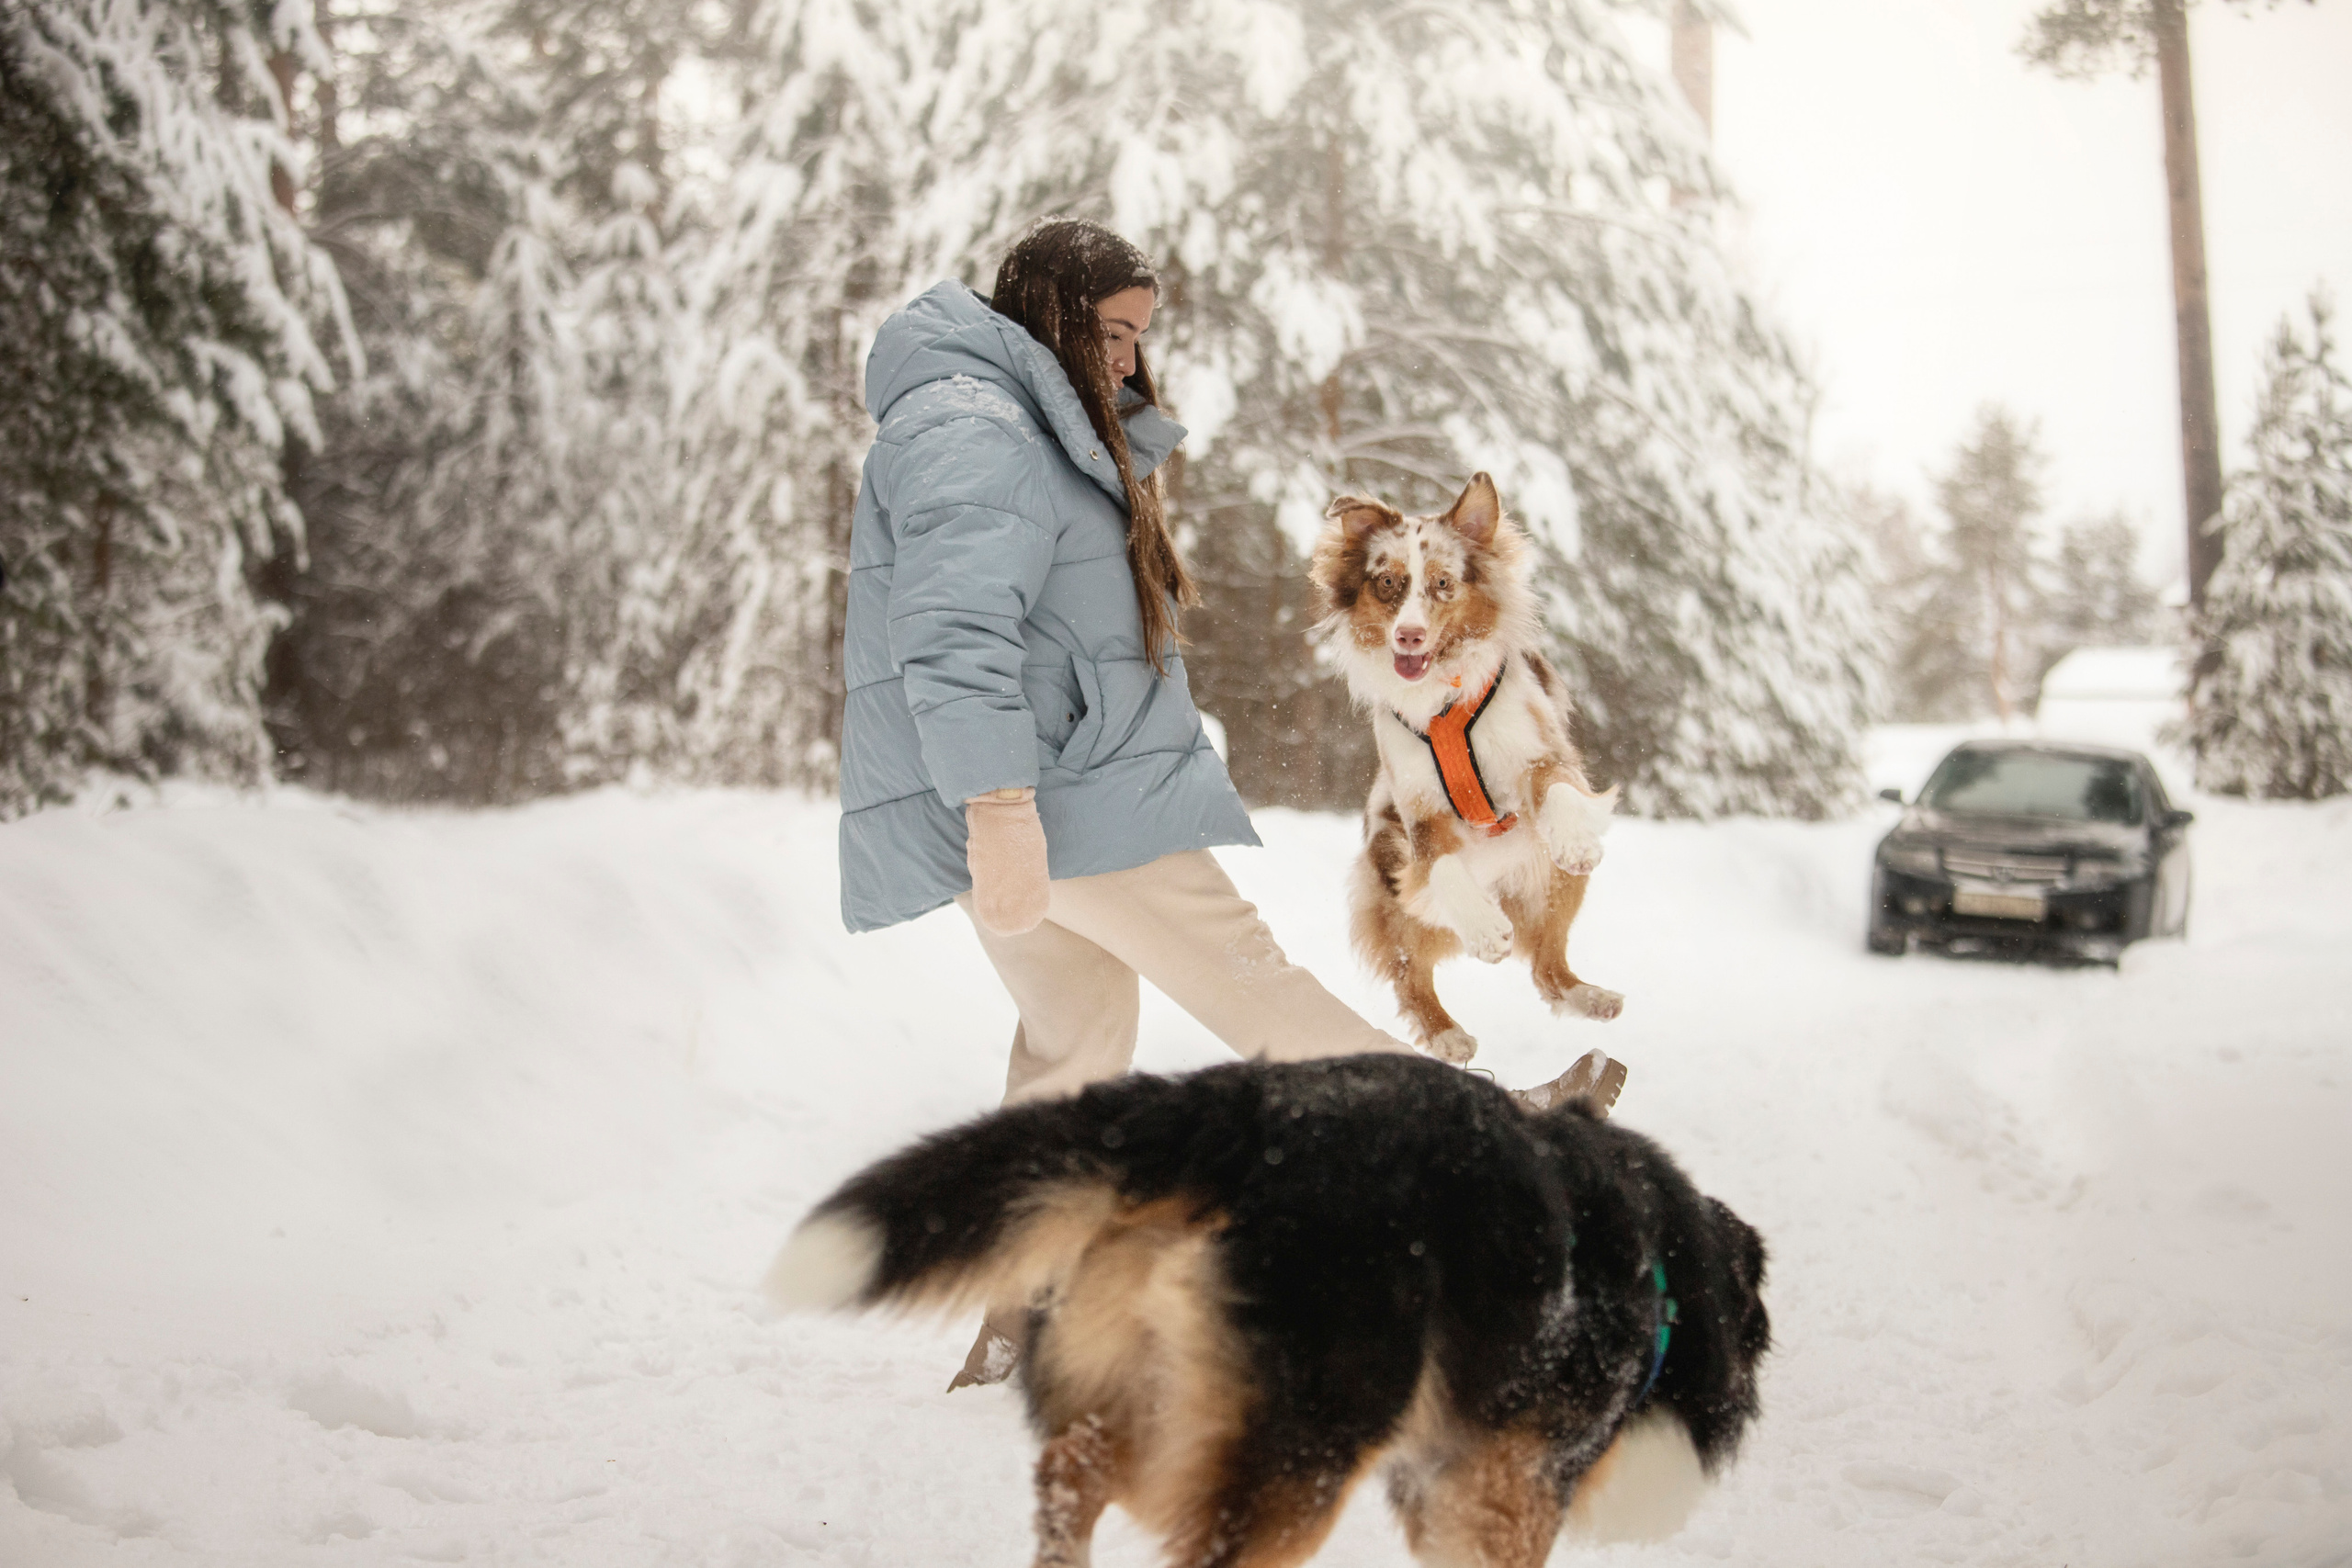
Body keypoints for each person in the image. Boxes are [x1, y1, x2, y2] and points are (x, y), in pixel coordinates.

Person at [834, 219, 1616, 1387]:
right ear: (1042, 309)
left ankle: (1023, 1305)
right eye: (1109, 333)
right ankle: (1491, 1131)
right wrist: (999, 806)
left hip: (1037, 789)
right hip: (1052, 794)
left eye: (1140, 337)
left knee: (1072, 1048)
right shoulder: (972, 424)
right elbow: (951, 634)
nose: (1127, 361)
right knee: (1252, 986)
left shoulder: (1004, 417)